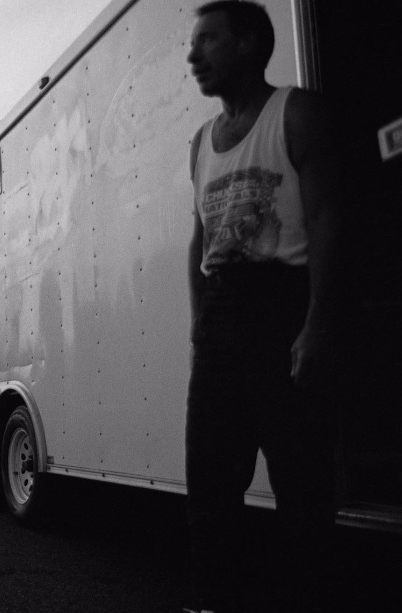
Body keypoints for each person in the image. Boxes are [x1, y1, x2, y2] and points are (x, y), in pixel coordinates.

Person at [183, 2, 343, 611]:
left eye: (208, 40)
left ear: (249, 43)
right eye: (192, 44)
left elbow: (327, 219)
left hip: (282, 304)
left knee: (301, 484)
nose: (193, 55)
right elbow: (199, 240)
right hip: (220, 314)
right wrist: (199, 326)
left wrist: (318, 323)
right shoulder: (200, 143)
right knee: (210, 482)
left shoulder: (295, 113)